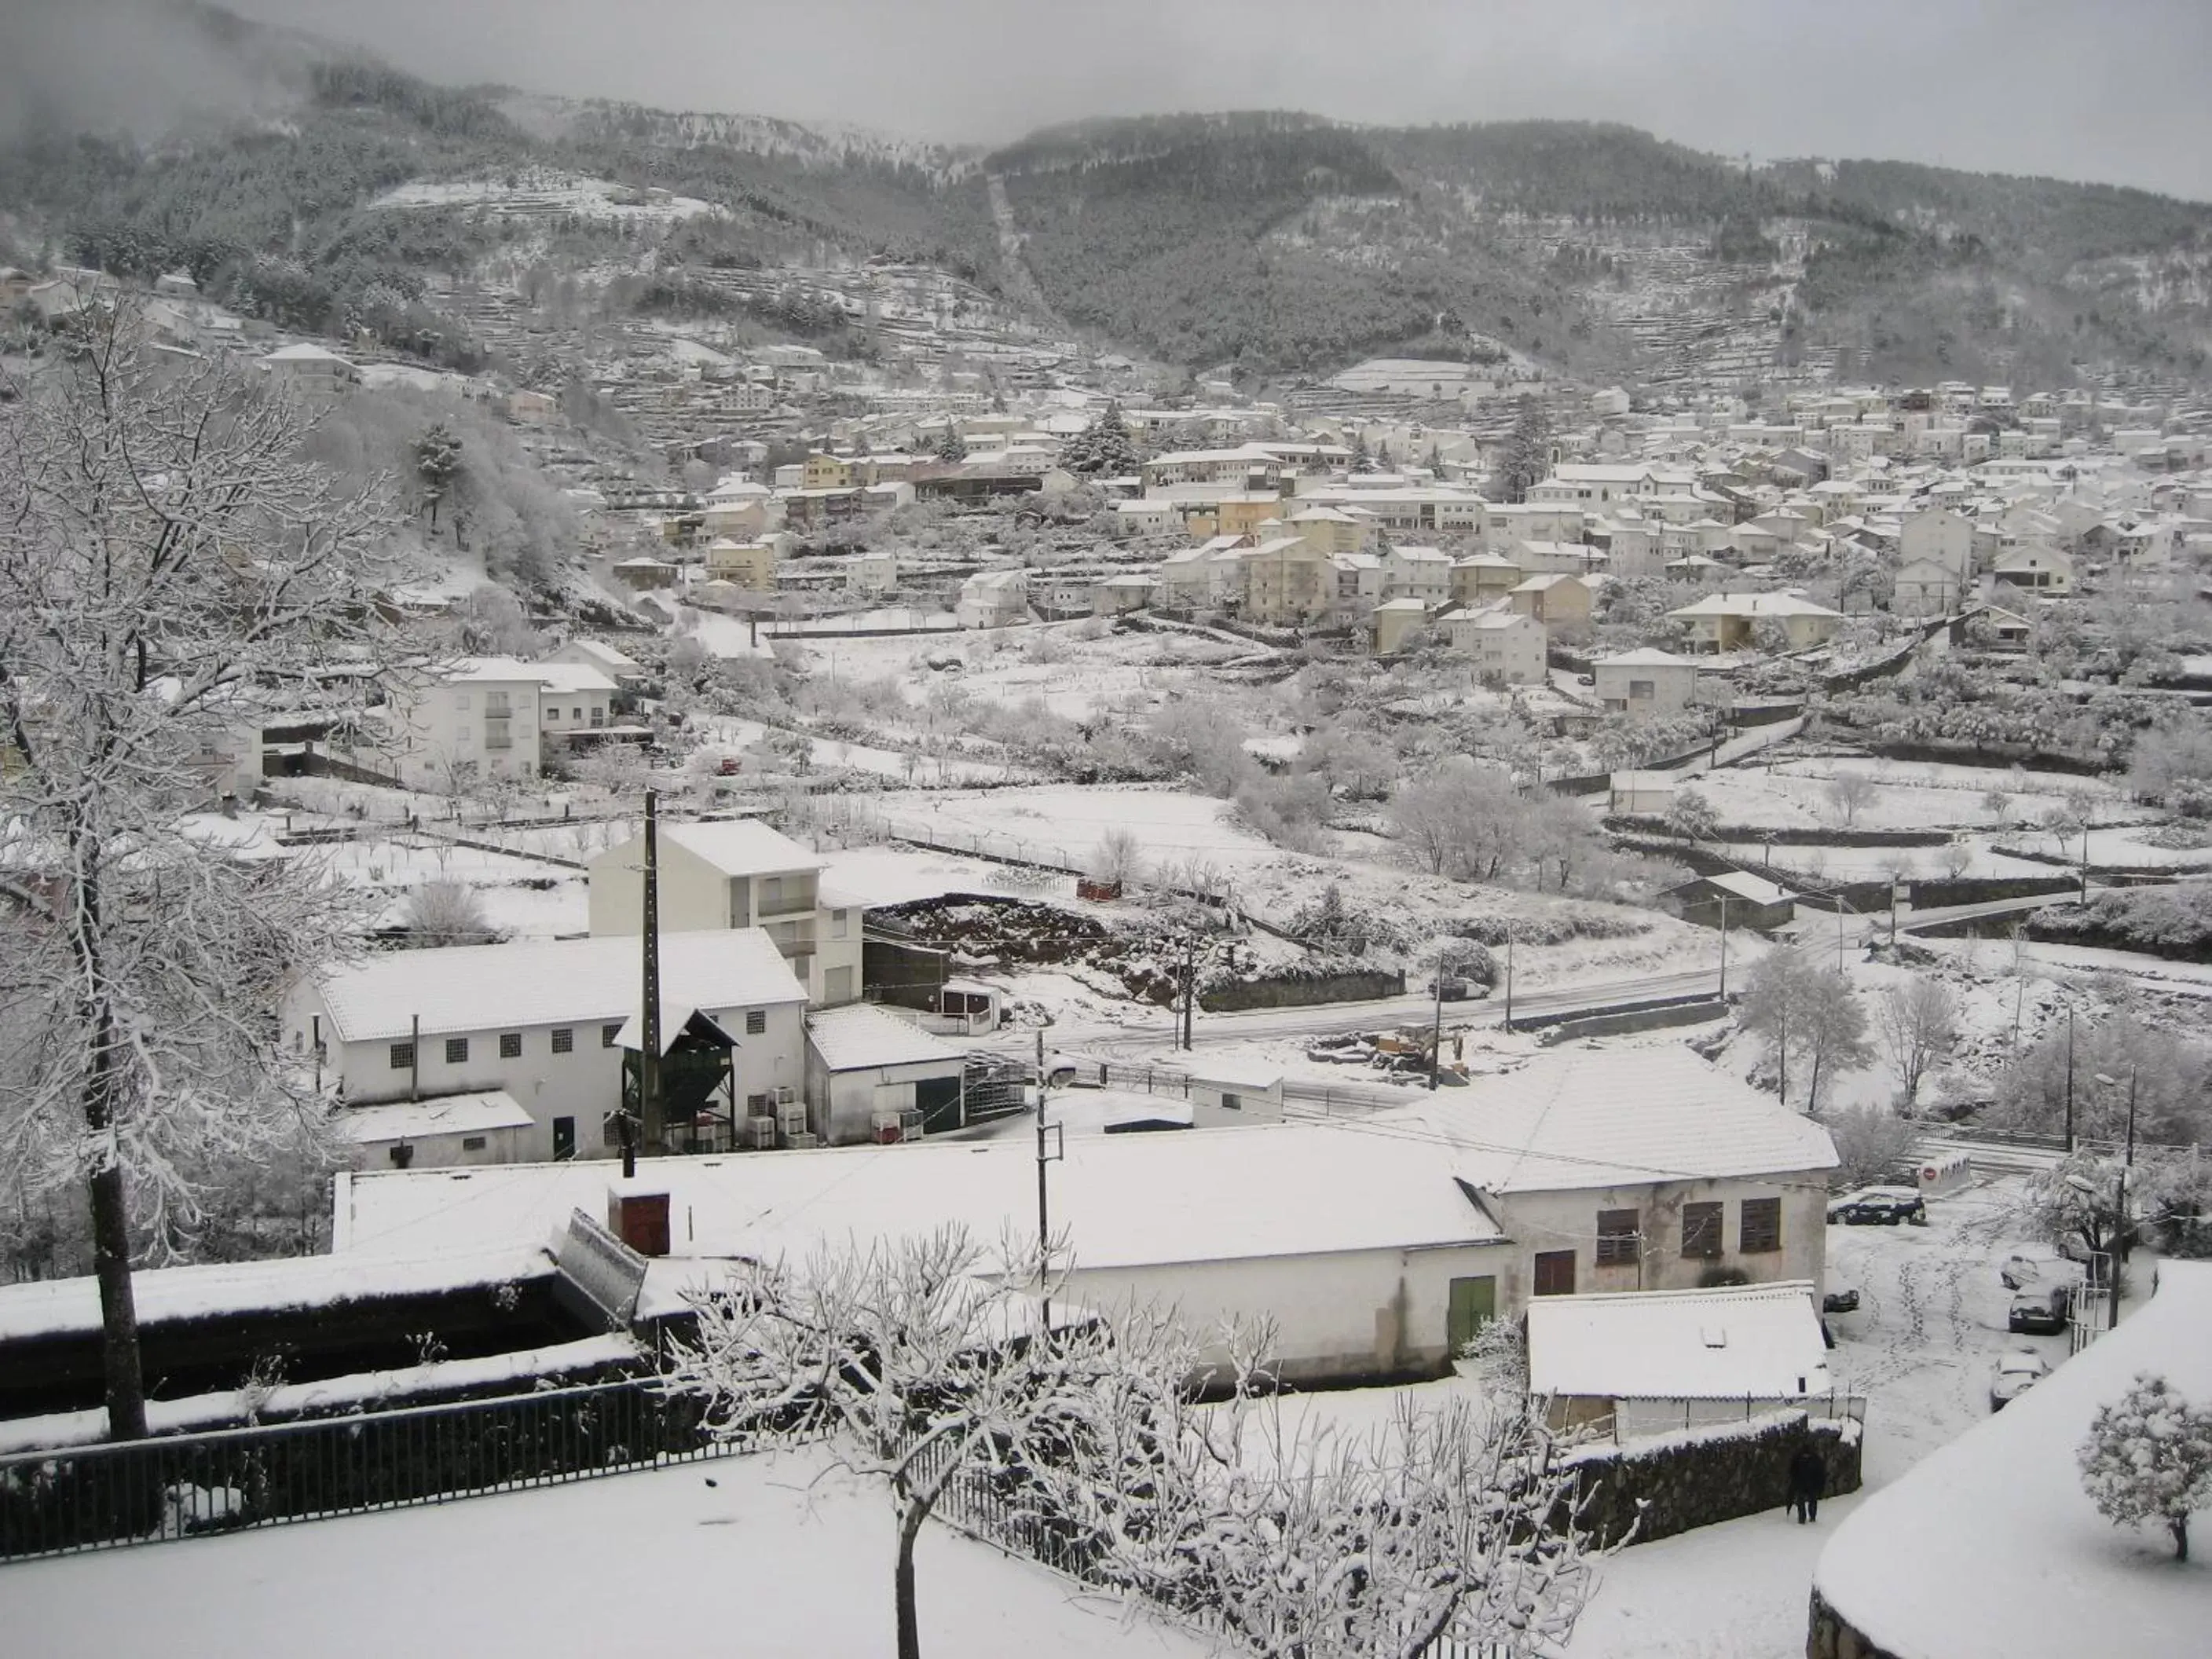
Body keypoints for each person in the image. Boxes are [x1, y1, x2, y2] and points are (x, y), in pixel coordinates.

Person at [1789, 1442, 1827, 1524]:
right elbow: (1821, 1473)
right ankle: (1812, 1517)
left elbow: (1792, 1471)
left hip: (1801, 1483)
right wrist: (1820, 1486)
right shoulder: (1816, 1459)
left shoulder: (1797, 1457)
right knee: (1812, 1500)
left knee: (1801, 1501)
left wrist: (1794, 1481)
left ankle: (1802, 1518)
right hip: (1812, 1484)